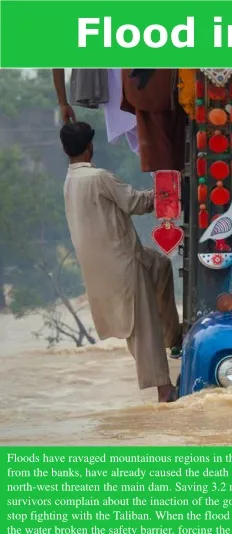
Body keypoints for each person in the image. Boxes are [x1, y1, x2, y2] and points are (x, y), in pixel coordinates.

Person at [60, 122, 182, 402]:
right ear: (90, 147)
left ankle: (174, 337)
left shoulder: (69, 182)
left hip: (100, 266)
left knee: (161, 266)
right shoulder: (98, 177)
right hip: (124, 261)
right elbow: (135, 204)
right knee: (143, 325)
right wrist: (166, 193)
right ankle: (164, 390)